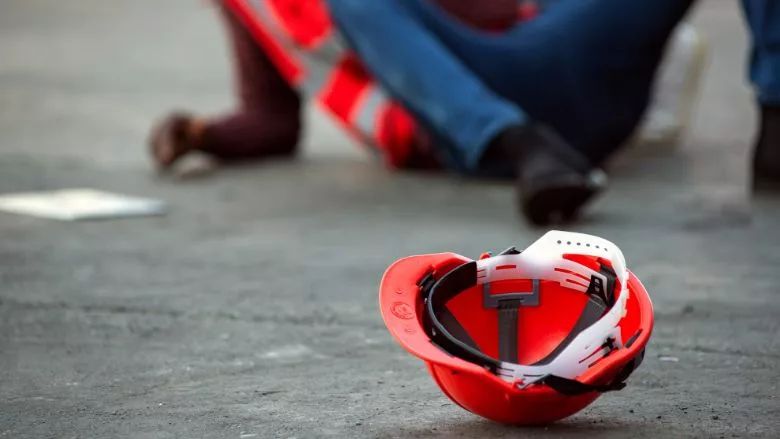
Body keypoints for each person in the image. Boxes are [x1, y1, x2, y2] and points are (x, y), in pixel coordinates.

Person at [148, 1, 771, 224]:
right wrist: (205, 134)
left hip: (541, 62)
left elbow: (497, 14)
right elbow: (271, 122)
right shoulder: (247, 6)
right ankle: (520, 144)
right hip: (465, 141)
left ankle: (776, 111)